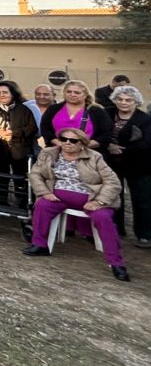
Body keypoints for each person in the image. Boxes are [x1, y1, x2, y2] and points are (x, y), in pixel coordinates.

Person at [23, 128, 130, 282]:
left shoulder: (95, 157)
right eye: (64, 139)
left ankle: (116, 262)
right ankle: (40, 245)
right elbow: (35, 174)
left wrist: (99, 201)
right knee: (42, 205)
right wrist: (44, 192)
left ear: (83, 144)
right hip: (57, 195)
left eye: (73, 141)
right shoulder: (49, 153)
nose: (67, 143)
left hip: (92, 197)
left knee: (104, 218)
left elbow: (113, 182)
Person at [0, 81, 38, 209]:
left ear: (13, 93)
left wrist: (14, 133)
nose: (1, 95)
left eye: (5, 92)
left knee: (19, 177)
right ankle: (0, 199)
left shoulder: (24, 109)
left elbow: (32, 128)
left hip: (18, 148)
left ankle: (21, 201)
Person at [105, 86, 151, 243]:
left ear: (136, 102)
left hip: (139, 164)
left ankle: (144, 234)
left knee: (142, 199)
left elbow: (147, 142)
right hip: (111, 163)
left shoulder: (145, 119)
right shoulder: (107, 113)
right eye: (120, 99)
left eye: (128, 100)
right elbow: (100, 132)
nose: (123, 103)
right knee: (114, 196)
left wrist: (122, 149)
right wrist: (109, 144)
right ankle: (116, 229)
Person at [40, 79, 112, 149]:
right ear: (64, 93)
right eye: (69, 92)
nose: (72, 94)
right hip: (57, 150)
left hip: (88, 151)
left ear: (85, 95)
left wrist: (81, 147)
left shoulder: (97, 111)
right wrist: (60, 144)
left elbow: (105, 134)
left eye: (77, 92)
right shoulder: (53, 109)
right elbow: (45, 129)